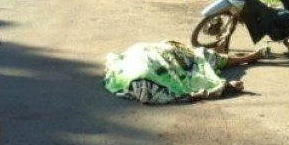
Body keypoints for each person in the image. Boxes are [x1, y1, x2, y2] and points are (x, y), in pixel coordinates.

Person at [103, 41, 270, 104]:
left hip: (145, 57)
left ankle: (251, 56)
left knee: (211, 59)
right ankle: (251, 56)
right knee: (209, 60)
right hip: (151, 61)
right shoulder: (199, 55)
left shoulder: (127, 61)